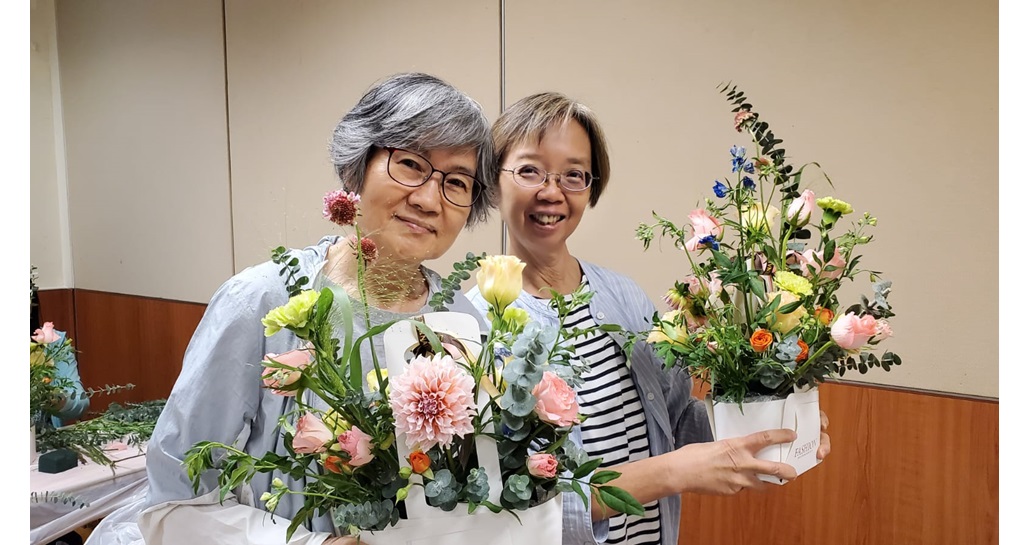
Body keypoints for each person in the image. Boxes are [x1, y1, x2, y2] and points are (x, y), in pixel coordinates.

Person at [84, 72, 497, 545]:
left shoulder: (463, 321)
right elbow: (176, 504)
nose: (427, 199)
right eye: (409, 163)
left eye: (457, 182)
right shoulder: (262, 302)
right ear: (356, 168)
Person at [465, 92, 832, 545]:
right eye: (529, 170)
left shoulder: (622, 294)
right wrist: (673, 472)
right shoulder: (475, 331)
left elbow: (676, 419)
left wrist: (770, 426)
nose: (552, 192)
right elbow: (521, 504)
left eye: (573, 175)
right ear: (492, 180)